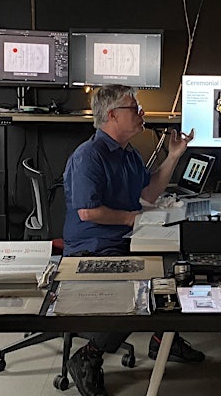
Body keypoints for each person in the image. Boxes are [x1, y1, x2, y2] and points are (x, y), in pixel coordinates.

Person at [62, 84, 202, 396]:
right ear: (111, 115)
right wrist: (130, 218)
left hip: (128, 238)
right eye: (134, 108)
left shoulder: (128, 154)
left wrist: (174, 156)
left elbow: (147, 194)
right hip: (94, 246)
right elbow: (87, 211)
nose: (142, 114)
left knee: (179, 268)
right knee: (141, 288)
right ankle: (88, 357)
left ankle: (162, 339)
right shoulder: (89, 156)